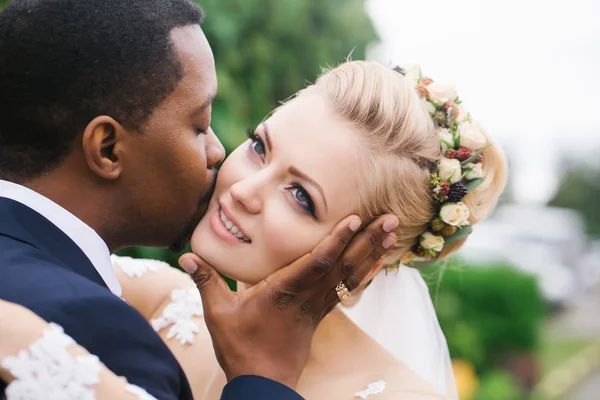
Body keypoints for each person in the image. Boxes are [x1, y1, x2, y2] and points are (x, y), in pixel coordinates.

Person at [0, 1, 397, 399]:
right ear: (106, 148)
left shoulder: (137, 295)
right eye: (201, 125)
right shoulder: (102, 334)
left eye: (301, 196)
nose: (218, 152)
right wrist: (262, 381)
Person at [110, 61, 508, 399]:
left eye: (301, 196)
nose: (244, 190)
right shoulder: (157, 303)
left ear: (365, 259)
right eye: (259, 147)